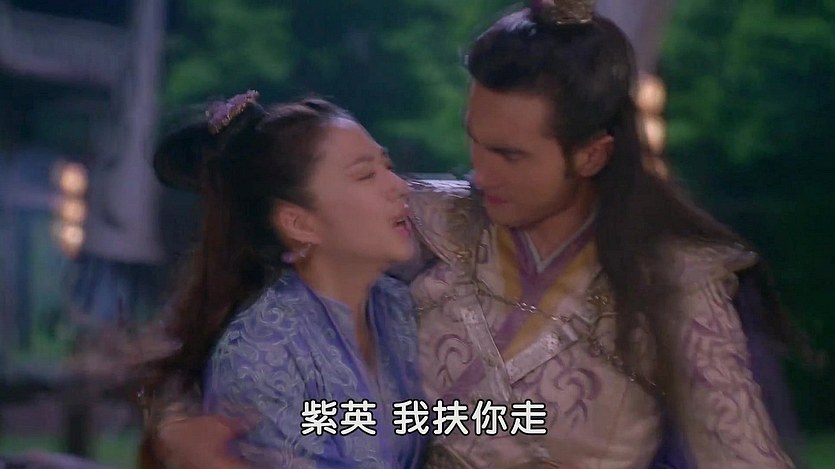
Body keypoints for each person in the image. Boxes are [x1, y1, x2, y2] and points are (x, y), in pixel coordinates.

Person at [148, 1, 802, 468]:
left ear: (592, 154)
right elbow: (279, 239)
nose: (479, 174)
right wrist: (185, 430)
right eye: (474, 142)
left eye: (510, 155)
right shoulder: (433, 220)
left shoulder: (681, 281)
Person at [139, 92, 427, 468]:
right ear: (300, 224)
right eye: (365, 175)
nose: (399, 186)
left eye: (388, 166)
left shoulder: (398, 306)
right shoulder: (260, 353)